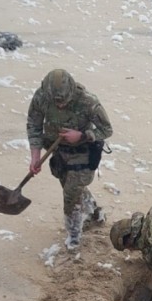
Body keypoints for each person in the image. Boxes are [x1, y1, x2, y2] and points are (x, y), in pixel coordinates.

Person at [26, 68, 113, 249]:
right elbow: (34, 125)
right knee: (70, 186)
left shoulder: (88, 101)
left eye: (63, 102)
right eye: (56, 102)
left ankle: (73, 239)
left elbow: (106, 129)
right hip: (57, 150)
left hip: (84, 151)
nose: (59, 105)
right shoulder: (41, 97)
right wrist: (35, 156)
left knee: (70, 195)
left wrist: (82, 135)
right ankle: (95, 213)